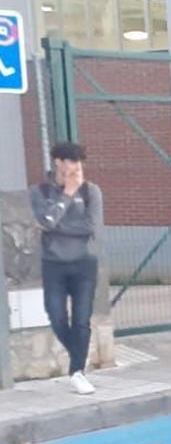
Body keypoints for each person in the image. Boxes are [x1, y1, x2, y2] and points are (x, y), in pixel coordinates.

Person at [30, 142, 102, 395]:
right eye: (71, 167)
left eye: (79, 168)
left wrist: (55, 226)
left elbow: (90, 227)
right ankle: (78, 354)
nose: (76, 173)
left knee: (81, 320)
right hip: (54, 265)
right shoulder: (39, 192)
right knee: (56, 315)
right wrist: (68, 194)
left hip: (84, 264)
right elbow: (44, 221)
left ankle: (77, 371)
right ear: (58, 163)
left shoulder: (91, 191)